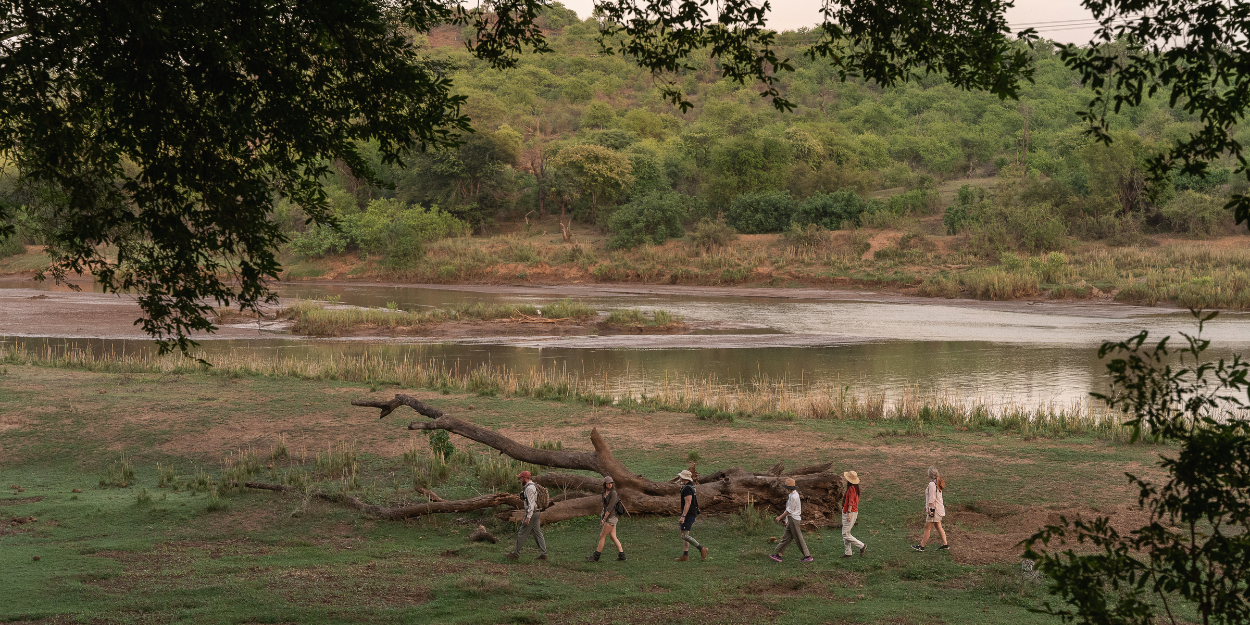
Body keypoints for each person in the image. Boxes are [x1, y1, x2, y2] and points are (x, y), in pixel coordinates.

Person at [506, 470, 548, 561]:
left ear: (525, 478)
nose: (520, 480)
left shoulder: (529, 489)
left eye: (521, 478)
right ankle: (544, 553)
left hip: (532, 513)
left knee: (522, 533)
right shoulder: (533, 486)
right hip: (536, 512)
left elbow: (531, 504)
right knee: (538, 533)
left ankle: (515, 553)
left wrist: (528, 517)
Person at [769, 477, 814, 563]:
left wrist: (780, 517)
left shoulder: (794, 497)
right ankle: (779, 555)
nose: (785, 489)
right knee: (786, 538)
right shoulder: (792, 495)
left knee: (798, 538)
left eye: (786, 488)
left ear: (789, 488)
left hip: (794, 519)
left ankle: (807, 556)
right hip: (791, 519)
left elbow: (789, 510)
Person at [587, 475, 625, 562]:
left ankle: (595, 557)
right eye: (608, 483)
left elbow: (610, 507)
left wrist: (604, 519)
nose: (610, 485)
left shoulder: (614, 493)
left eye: (611, 483)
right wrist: (602, 516)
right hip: (607, 516)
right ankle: (622, 556)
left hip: (612, 517)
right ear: (605, 484)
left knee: (602, 536)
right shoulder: (604, 493)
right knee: (613, 536)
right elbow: (605, 506)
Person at [913, 466, 949, 552]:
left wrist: (929, 508)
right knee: (938, 526)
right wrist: (927, 506)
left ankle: (921, 546)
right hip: (938, 508)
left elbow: (932, 498)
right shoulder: (937, 482)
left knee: (927, 528)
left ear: (929, 474)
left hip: (934, 509)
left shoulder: (932, 484)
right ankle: (945, 544)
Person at [674, 469, 708, 561]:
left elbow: (688, 502)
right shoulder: (691, 486)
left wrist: (683, 516)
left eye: (681, 477)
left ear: (684, 478)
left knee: (684, 535)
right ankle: (685, 555)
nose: (680, 478)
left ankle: (702, 549)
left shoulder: (687, 488)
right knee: (685, 534)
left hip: (688, 513)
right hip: (691, 512)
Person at [841, 470, 866, 558]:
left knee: (845, 534)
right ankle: (848, 552)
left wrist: (848, 513)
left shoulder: (851, 489)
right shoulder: (854, 488)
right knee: (846, 533)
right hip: (847, 511)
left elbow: (851, 502)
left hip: (849, 512)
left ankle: (861, 546)